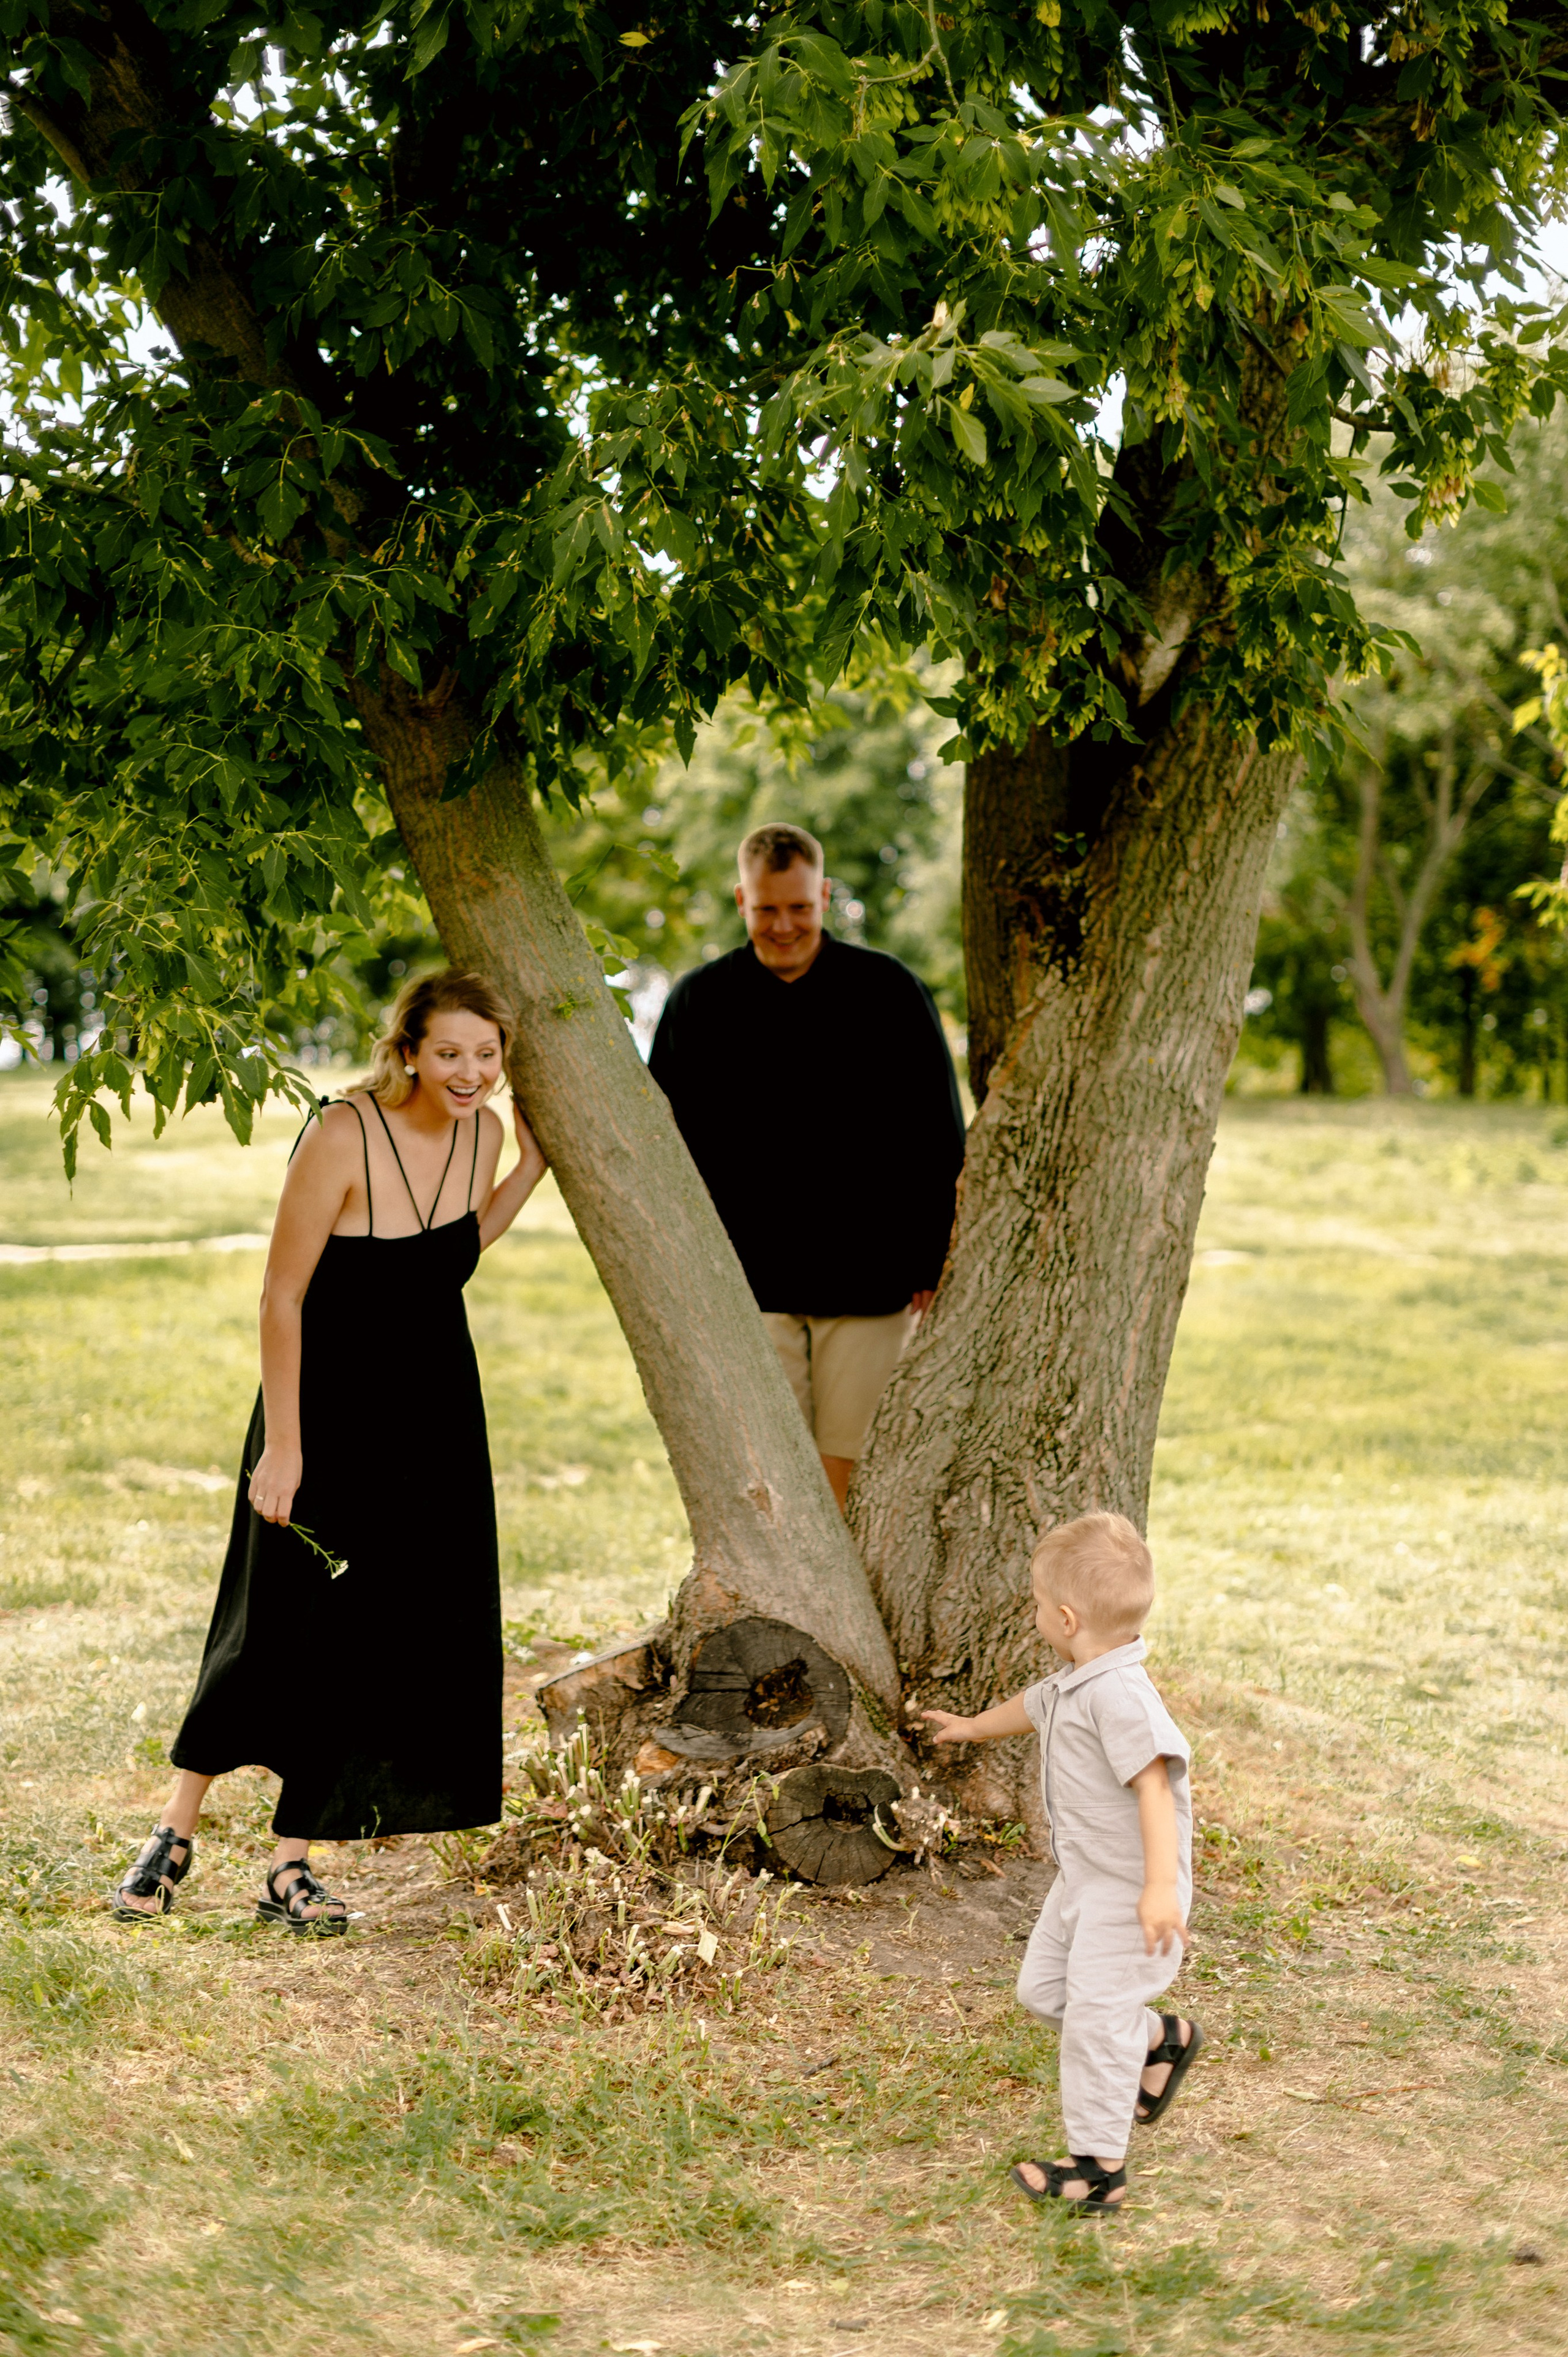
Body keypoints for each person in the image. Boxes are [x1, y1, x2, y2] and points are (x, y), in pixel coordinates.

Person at [110, 969, 547, 1934]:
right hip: (318, 1413)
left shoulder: (483, 1134)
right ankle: (175, 1829)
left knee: (361, 1637)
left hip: (430, 1417)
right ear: (408, 1050)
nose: (470, 1072)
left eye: (487, 1055)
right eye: (449, 1053)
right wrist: (284, 1447)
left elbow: (449, 1256)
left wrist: (529, 1168)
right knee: (266, 1623)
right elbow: (281, 1296)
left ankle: (289, 1865)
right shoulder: (343, 1132)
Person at [648, 821, 965, 1509]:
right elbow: (661, 1147)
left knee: (852, 1468)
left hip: (871, 1275)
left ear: (824, 896)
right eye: (767, 908)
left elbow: (938, 1131)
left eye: (799, 906)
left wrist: (934, 1255)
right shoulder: (698, 1001)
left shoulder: (889, 989)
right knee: (771, 1474)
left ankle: (849, 1585)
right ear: (742, 900)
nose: (784, 925)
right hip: (747, 1282)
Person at [922, 1512, 1203, 2214]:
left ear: (1068, 1618)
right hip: (1083, 1879)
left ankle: (1097, 2169)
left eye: (1038, 1604)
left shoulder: (1120, 1695)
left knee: (1095, 2022)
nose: (1034, 1613)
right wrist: (971, 1727)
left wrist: (1159, 1888)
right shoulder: (1077, 1680)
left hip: (1131, 1893)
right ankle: (1158, 2039)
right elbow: (1034, 1705)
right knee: (1044, 1992)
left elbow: (1154, 1787)